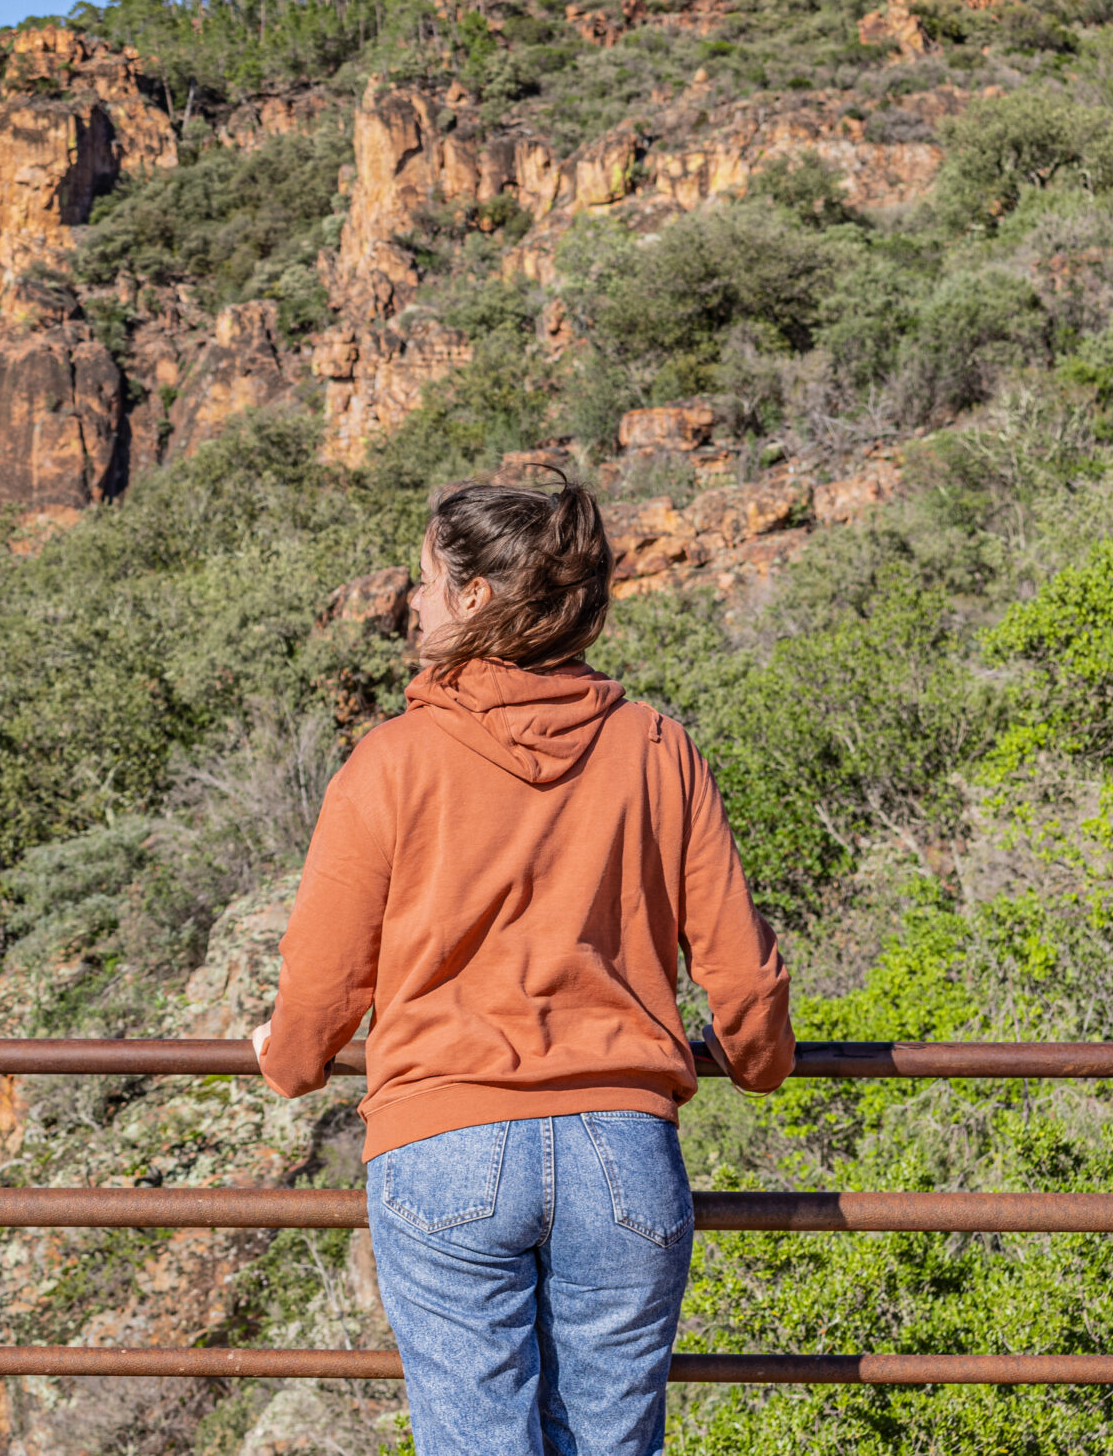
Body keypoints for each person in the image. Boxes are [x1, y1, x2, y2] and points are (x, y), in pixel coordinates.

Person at [253, 476, 794, 1456]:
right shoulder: (656, 749)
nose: (409, 604)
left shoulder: (389, 762)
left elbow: (321, 990)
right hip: (624, 1154)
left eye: (425, 581)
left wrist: (285, 1059)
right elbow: (743, 980)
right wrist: (755, 1061)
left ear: (473, 598)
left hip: (444, 1141)